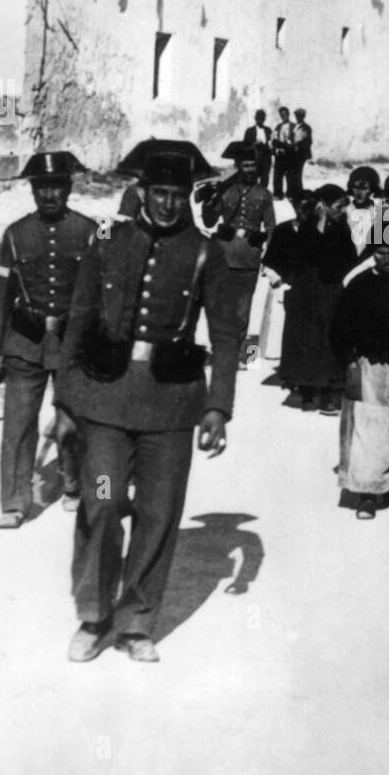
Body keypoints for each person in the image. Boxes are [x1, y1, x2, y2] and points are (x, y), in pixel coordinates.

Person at [54, 141, 237, 663]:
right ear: (142, 191)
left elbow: (227, 333)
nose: (168, 204)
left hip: (171, 407)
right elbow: (80, 314)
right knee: (104, 500)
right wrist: (65, 398)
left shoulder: (207, 252)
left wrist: (218, 406)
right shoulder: (107, 239)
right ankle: (93, 615)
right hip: (106, 402)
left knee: (158, 512)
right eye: (160, 193)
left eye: (178, 194)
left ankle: (136, 622)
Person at [0, 152, 95, 528]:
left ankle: (75, 485)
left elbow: (102, 290)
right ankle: (15, 502)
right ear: (33, 190)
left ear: (68, 187)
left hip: (72, 343)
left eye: (56, 186)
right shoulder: (15, 234)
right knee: (18, 424)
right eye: (41, 188)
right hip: (25, 340)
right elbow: (2, 293)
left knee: (72, 423)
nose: (49, 195)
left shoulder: (92, 230)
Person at [329, 232, 389, 519]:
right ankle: (368, 493)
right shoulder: (360, 283)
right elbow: (340, 327)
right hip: (371, 366)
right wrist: (350, 358)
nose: (387, 258)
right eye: (381, 252)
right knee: (370, 428)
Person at [264, 184, 356, 413]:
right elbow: (291, 255)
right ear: (322, 206)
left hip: (330, 291)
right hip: (301, 291)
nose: (343, 211)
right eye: (338, 207)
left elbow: (348, 259)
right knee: (283, 334)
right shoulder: (296, 229)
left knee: (325, 339)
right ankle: (252, 364)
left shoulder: (342, 229)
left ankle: (324, 391)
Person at [200, 142, 275, 368]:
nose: (251, 170)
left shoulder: (264, 195)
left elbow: (271, 228)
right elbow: (209, 222)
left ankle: (244, 356)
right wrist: (209, 200)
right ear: (238, 167)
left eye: (254, 166)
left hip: (249, 258)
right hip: (223, 256)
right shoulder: (226, 191)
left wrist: (269, 261)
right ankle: (221, 351)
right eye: (246, 166)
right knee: (221, 308)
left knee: (243, 311)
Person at [345, 165, 382, 256]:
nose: (359, 193)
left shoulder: (378, 210)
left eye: (364, 189)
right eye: (356, 188)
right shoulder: (345, 210)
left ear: (372, 189)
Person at [243, 109, 273, 189]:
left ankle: (263, 195)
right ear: (255, 119)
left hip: (266, 158)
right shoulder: (249, 131)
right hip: (254, 158)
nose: (260, 120)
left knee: (265, 178)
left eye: (262, 118)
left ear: (264, 119)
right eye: (258, 118)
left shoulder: (268, 130)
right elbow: (245, 145)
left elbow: (271, 143)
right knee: (253, 178)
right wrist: (254, 144)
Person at [271, 107, 295, 199]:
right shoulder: (278, 126)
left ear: (288, 114)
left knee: (290, 175)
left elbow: (296, 140)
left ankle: (290, 194)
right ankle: (278, 193)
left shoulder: (294, 126)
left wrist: (290, 145)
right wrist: (275, 149)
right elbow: (273, 139)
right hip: (280, 154)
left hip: (290, 154)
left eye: (284, 114)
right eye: (281, 115)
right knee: (278, 174)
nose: (283, 116)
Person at [290, 108, 313, 200]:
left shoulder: (306, 127)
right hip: (293, 153)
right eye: (297, 115)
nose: (298, 117)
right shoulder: (295, 126)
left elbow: (309, 141)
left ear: (303, 116)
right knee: (293, 173)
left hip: (301, 154)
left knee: (297, 173)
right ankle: (295, 192)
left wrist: (298, 145)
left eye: (300, 116)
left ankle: (299, 193)